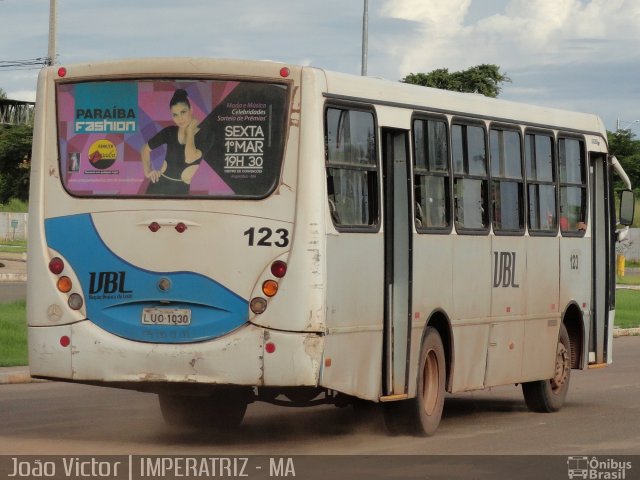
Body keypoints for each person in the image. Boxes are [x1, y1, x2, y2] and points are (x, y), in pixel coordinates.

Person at [140, 89, 202, 195]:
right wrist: (148, 172)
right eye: (175, 115)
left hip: (181, 190)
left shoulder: (205, 134)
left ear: (191, 109)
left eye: (183, 112)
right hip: (157, 187)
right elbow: (145, 149)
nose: (180, 118)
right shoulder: (170, 131)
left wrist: (190, 130)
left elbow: (190, 158)